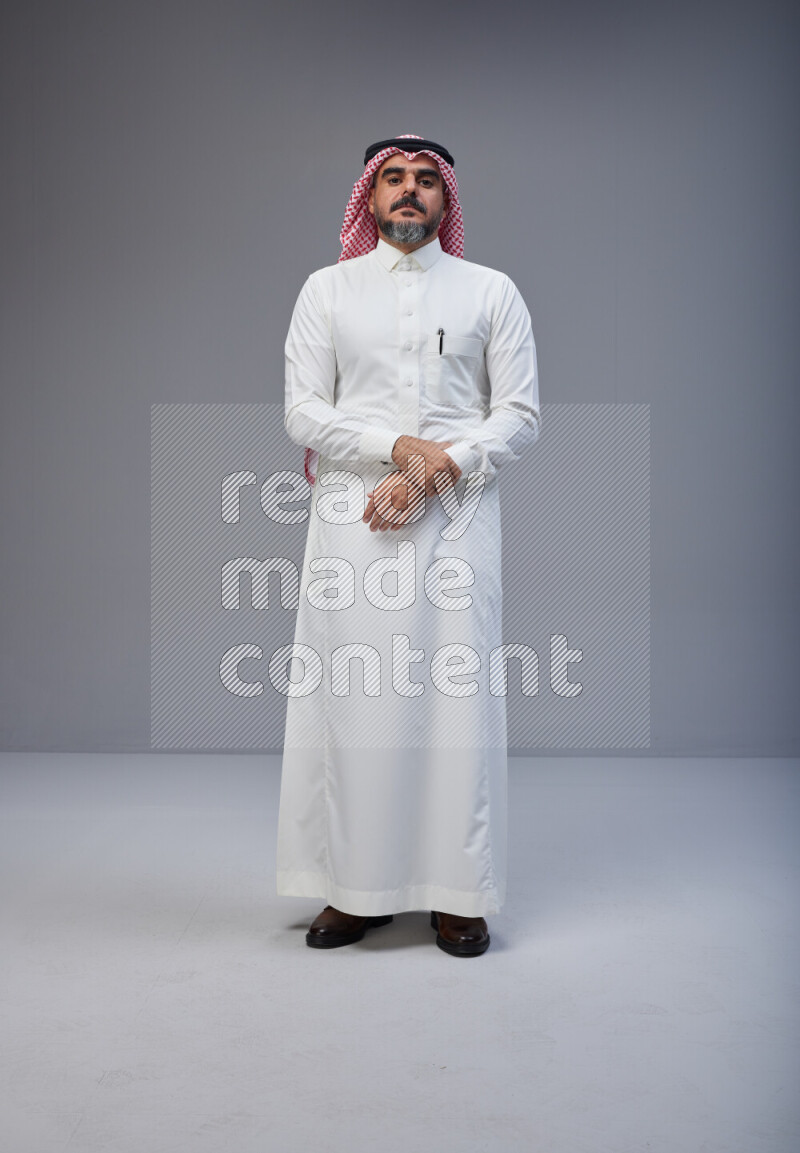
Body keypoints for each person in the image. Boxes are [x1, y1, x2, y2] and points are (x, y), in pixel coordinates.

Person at [276, 133, 541, 956]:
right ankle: (356, 889)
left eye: (426, 181)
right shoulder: (327, 291)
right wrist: (398, 451)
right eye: (393, 179)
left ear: (446, 200)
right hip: (355, 520)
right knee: (356, 703)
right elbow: (303, 411)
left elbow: (520, 416)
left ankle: (458, 894)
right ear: (370, 194)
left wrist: (433, 472)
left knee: (454, 702)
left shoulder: (491, 291)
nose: (409, 193)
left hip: (458, 517)